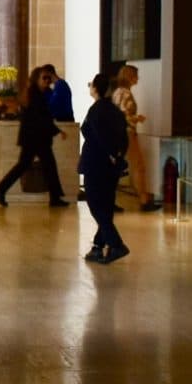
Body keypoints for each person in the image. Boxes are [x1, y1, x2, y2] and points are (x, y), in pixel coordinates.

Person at [0, 67, 72, 209]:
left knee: (45, 166)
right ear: (37, 79)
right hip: (35, 138)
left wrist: (56, 130)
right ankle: (1, 190)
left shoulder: (40, 94)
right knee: (31, 166)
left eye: (48, 78)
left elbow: (44, 117)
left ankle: (54, 197)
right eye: (44, 78)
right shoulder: (34, 95)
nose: (47, 81)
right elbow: (40, 118)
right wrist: (57, 130)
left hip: (37, 138)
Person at [80, 70, 132, 265]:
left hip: (96, 163)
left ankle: (115, 243)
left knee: (95, 205)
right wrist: (117, 156)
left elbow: (95, 135)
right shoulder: (115, 111)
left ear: (96, 88)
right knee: (106, 205)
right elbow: (124, 138)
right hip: (111, 167)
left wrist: (109, 153)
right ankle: (98, 245)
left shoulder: (96, 111)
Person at [115, 62, 159, 211]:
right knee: (138, 166)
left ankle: (142, 198)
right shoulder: (126, 94)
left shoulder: (118, 92)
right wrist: (136, 118)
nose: (138, 79)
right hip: (128, 133)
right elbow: (124, 115)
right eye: (136, 76)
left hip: (120, 133)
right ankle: (144, 200)